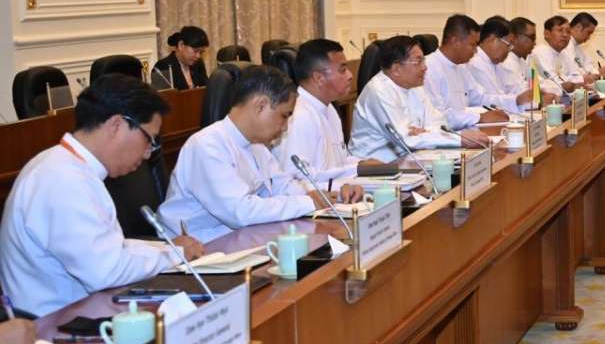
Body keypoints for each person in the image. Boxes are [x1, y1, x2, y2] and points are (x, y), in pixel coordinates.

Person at [0, 75, 204, 316]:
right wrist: (174, 254)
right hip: (56, 326)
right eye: (148, 139)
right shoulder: (63, 180)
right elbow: (106, 271)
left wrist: (167, 248)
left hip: (79, 311)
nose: (148, 153)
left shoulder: (65, 165)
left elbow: (109, 247)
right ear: (117, 125)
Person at [161, 66, 363, 242]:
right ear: (260, 105)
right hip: (201, 251)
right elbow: (240, 212)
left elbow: (283, 185)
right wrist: (308, 202)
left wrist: (329, 195)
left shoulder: (256, 145)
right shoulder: (207, 145)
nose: (285, 127)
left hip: (243, 241)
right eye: (284, 116)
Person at [349, 36, 481, 162]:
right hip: (375, 167)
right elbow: (406, 140)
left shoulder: (415, 85)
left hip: (413, 158)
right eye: (418, 62)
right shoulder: (379, 91)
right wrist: (458, 139)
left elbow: (439, 122)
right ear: (396, 69)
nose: (425, 67)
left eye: (423, 60)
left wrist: (424, 132)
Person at [272, 39, 376, 187]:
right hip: (318, 198)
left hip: (337, 192)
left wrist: (362, 163)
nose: (350, 75)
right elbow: (298, 179)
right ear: (319, 78)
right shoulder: (298, 116)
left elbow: (339, 161)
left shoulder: (328, 107)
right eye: (342, 70)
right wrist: (357, 170)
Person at [423, 15, 508, 129]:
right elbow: (438, 116)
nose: (476, 50)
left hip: (466, 131)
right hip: (445, 135)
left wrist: (516, 101)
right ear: (455, 41)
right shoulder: (428, 68)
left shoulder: (461, 67)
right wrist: (479, 117)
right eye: (472, 45)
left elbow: (479, 98)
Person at [467, 17, 548, 115]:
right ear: (493, 40)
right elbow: (489, 100)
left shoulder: (497, 64)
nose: (510, 50)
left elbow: (513, 89)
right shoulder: (475, 63)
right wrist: (518, 100)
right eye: (509, 44)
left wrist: (536, 100)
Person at [531, 15, 589, 96]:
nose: (565, 35)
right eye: (560, 30)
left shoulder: (564, 52)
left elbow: (576, 75)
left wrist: (573, 83)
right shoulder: (540, 52)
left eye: (568, 32)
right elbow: (554, 82)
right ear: (547, 34)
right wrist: (571, 84)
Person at [152, 26, 210, 90]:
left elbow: (205, 88)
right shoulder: (162, 66)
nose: (198, 56)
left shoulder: (198, 63)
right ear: (181, 45)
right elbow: (161, 95)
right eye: (195, 51)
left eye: (201, 52)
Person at [566, 12, 604, 76]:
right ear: (578, 27)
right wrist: (598, 73)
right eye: (588, 33)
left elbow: (587, 65)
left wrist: (597, 72)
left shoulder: (576, 45)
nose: (589, 37)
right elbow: (574, 72)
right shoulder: (564, 44)